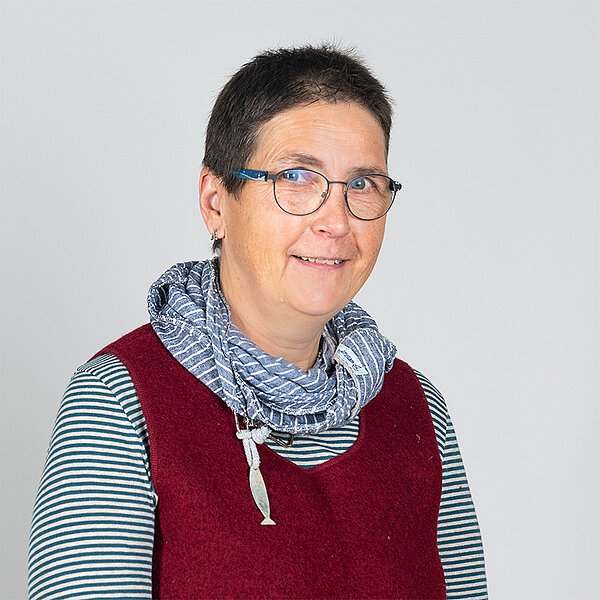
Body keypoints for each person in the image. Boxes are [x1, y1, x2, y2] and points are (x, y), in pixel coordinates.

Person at [28, 45, 487, 599]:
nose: (336, 221)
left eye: (363, 183)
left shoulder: (417, 409)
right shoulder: (120, 401)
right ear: (216, 202)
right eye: (296, 177)